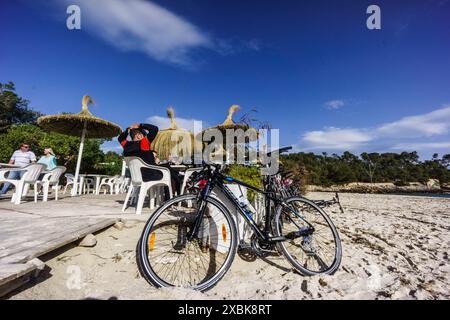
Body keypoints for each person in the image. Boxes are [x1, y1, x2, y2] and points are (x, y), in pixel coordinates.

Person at [118, 123, 181, 194]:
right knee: (168, 170)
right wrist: (140, 125)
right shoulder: (143, 143)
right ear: (139, 136)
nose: (145, 137)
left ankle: (174, 192)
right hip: (150, 175)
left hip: (138, 177)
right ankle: (173, 196)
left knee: (167, 168)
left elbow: (120, 138)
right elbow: (155, 129)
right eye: (144, 135)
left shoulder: (126, 145)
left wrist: (127, 130)